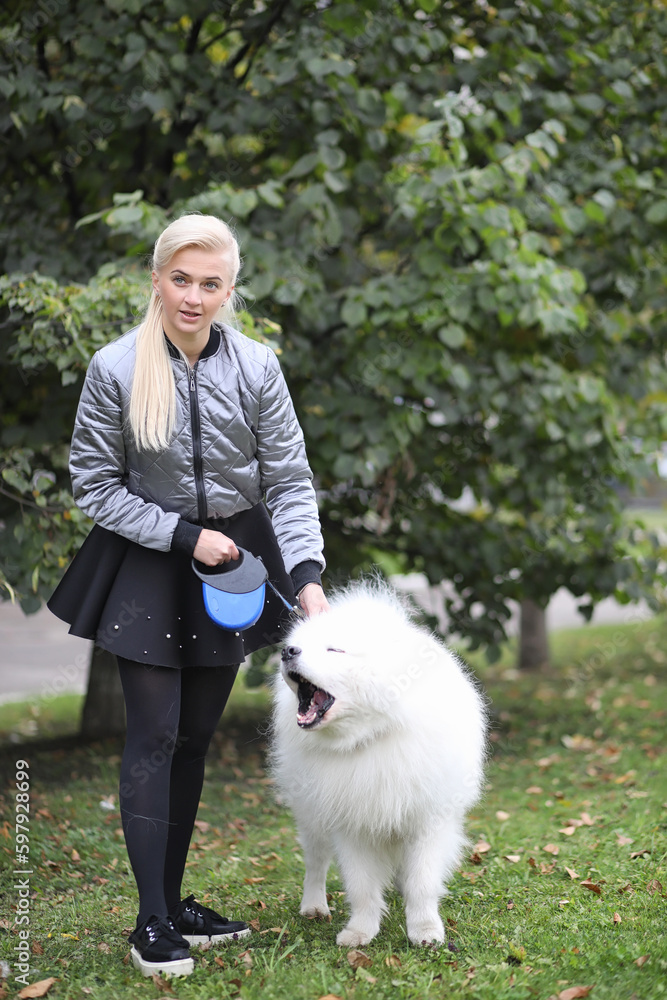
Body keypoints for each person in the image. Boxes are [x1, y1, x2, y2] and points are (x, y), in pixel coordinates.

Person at [48, 213, 329, 977]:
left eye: (210, 284)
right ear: (157, 280)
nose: (193, 297)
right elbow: (95, 485)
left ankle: (173, 908)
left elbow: (290, 481)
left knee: (197, 739)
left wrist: (305, 577)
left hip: (232, 565)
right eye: (181, 279)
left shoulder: (258, 368)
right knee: (155, 734)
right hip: (148, 559)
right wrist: (181, 536)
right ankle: (149, 924)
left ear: (229, 289)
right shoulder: (115, 367)